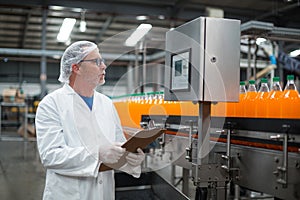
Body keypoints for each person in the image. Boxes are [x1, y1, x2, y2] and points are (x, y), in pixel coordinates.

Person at [35, 40, 145, 200]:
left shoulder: (106, 103)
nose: (103, 66)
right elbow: (51, 156)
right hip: (68, 194)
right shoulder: (51, 104)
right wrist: (98, 153)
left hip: (104, 193)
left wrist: (130, 159)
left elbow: (118, 146)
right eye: (96, 61)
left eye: (103, 61)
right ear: (76, 67)